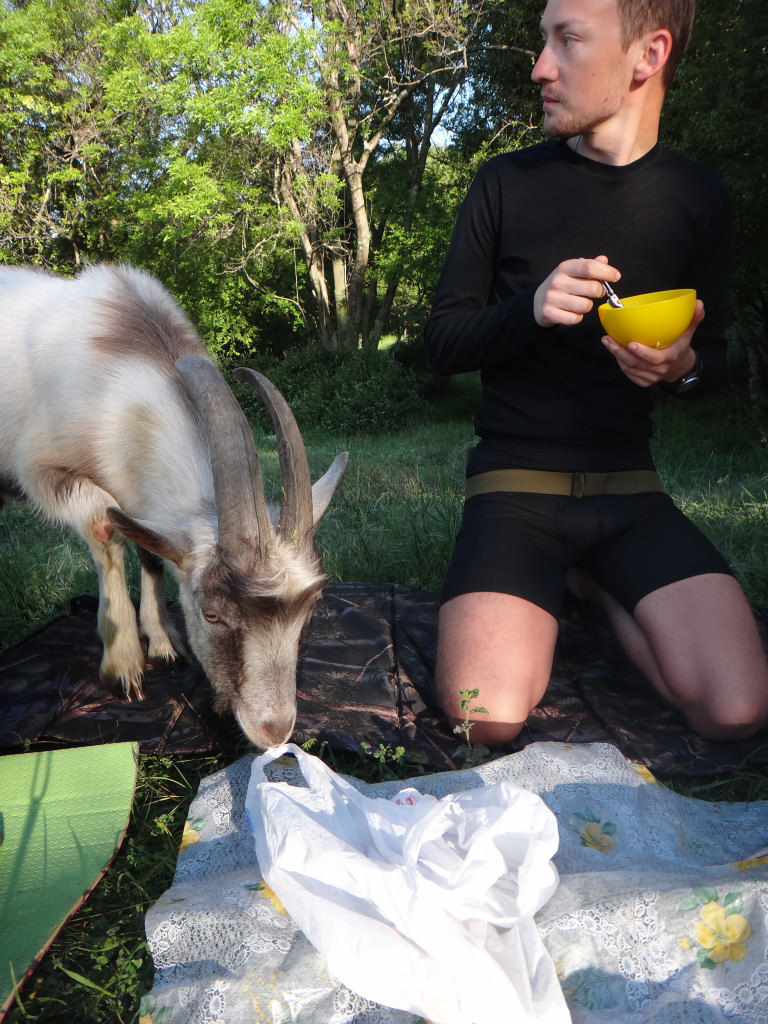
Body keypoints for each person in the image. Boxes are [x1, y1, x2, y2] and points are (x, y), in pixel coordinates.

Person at [424, 0, 768, 748]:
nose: (540, 67)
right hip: (515, 488)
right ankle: (569, 584)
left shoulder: (698, 198)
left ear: (648, 56)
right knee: (484, 715)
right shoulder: (504, 183)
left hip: (630, 493)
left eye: (568, 40)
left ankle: (597, 584)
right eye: (543, 40)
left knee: (736, 711)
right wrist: (531, 308)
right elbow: (441, 343)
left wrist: (679, 368)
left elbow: (713, 363)